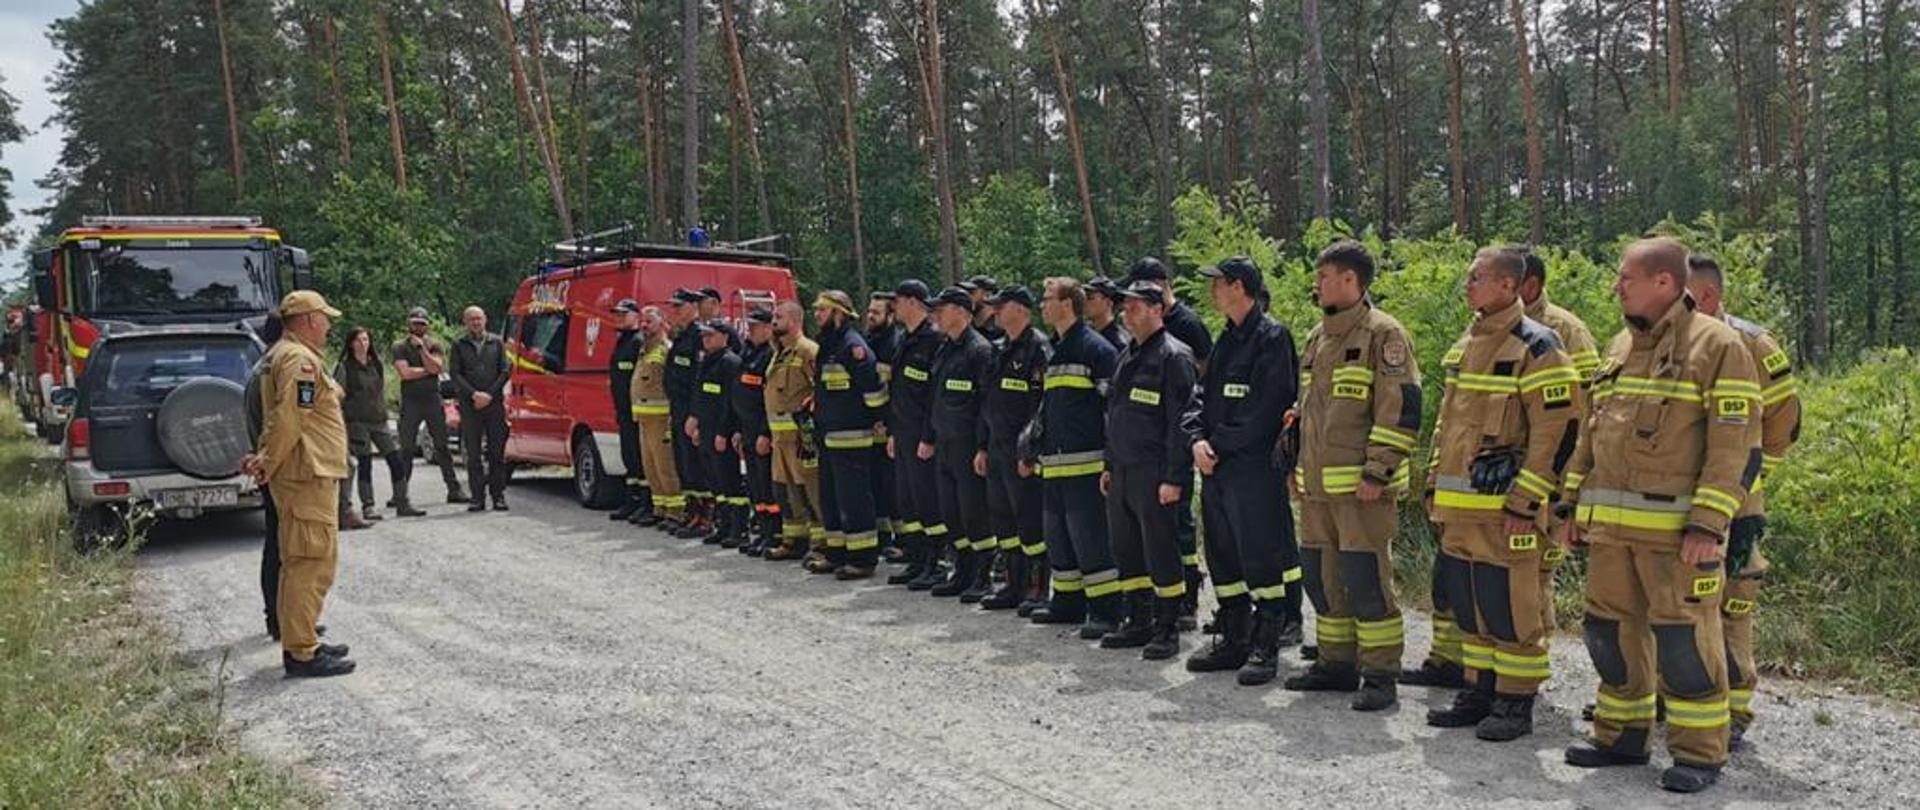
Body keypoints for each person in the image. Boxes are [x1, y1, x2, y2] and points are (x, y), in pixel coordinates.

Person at [1556, 237, 1761, 793]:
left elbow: (1733, 445)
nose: (1618, 286)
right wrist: (1569, 503)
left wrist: (1708, 523)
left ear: (1665, 283)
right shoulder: (1621, 345)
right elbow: (1591, 433)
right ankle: (1620, 736)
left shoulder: (1719, 346)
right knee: (1608, 634)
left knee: (1684, 643)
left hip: (1677, 536)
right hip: (1611, 533)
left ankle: (1699, 753)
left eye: (1627, 278)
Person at [1420, 247, 1585, 743]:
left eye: (1478, 277)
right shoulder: (1467, 344)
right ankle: (1479, 690)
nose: (1467, 284)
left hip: (1506, 513)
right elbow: (1446, 428)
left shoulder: (1538, 346)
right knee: (1472, 607)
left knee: (1512, 607)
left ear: (1509, 287)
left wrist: (1526, 502)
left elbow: (1558, 433)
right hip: (1460, 511)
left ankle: (1515, 703)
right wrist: (1432, 486)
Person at [1282, 239, 1420, 713]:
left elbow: (1400, 409)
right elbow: (1306, 412)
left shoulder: (1384, 334)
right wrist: (1294, 463)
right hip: (1317, 489)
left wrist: (1379, 472)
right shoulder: (1316, 338)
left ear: (1350, 280)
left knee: (1365, 580)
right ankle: (1335, 664)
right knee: (1323, 580)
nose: (1316, 285)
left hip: (1362, 492)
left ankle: (1380, 674)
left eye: (1323, 276)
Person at [1685, 254, 1801, 747]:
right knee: (1679, 603)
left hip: (1737, 508)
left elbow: (1784, 425)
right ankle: (1678, 696)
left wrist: (1745, 482)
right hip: (1681, 501)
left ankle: (1733, 711)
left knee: (1731, 606)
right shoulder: (1673, 340)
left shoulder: (1753, 344)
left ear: (1707, 296)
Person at [1185, 257, 1304, 686]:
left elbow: (1268, 409)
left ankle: (1265, 645)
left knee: (1261, 556)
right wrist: (1196, 439)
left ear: (1238, 287)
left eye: (1217, 283)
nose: (1212, 291)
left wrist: (1218, 443)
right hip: (1216, 467)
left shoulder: (1272, 338)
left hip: (1253, 468)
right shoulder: (1226, 338)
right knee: (1222, 553)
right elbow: (1199, 397)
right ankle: (1233, 637)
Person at [243, 290, 355, 678]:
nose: (328, 325)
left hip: (307, 472)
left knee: (304, 560)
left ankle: (302, 637)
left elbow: (281, 414)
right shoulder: (298, 361)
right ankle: (302, 652)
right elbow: (291, 415)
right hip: (306, 473)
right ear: (308, 319)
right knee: (309, 560)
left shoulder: (286, 356)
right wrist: (268, 461)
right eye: (325, 318)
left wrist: (265, 457)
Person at [1099, 279, 1201, 661]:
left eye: (1136, 306)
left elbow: (1182, 423)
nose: (1128, 313)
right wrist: (1110, 464)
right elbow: (1116, 414)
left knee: (1161, 550)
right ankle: (1138, 619)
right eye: (1125, 307)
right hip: (1124, 470)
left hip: (1155, 471)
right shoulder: (1127, 355)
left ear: (1158, 309)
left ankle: (1167, 625)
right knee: (1127, 549)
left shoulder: (1174, 356)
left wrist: (1175, 478)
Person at [1026, 277, 1122, 637]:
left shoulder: (1095, 349)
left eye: (1047, 298)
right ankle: (1067, 602)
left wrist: (1111, 461)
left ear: (1067, 304)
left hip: (1087, 465)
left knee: (1090, 538)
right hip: (1053, 463)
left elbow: (1112, 409)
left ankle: (1106, 610)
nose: (1043, 305)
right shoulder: (1055, 349)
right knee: (1059, 537)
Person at [1123, 257, 1212, 628]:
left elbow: (1201, 377)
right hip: (1140, 451)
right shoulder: (1138, 339)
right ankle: (1151, 610)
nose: (1127, 313)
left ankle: (1184, 599)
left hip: (1172, 444)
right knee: (1150, 534)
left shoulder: (1186, 327)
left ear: (1160, 286)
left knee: (1177, 529)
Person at [977, 285, 1051, 612]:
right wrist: (982, 446)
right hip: (996, 448)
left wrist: (1030, 449)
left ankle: (1037, 586)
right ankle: (1012, 582)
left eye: (1001, 306)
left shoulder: (1039, 349)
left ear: (1021, 310)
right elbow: (986, 402)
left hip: (1021, 452)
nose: (994, 311)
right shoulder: (998, 349)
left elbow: (1042, 406)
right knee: (1002, 518)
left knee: (1029, 518)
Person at [922, 287, 996, 597]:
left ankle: (984, 574)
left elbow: (986, 405)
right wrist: (928, 437)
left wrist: (982, 446)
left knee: (973, 511)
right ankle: (962, 570)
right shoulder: (944, 349)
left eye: (943, 308)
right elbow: (934, 398)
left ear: (963, 313)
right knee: (951, 511)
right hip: (945, 443)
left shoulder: (979, 350)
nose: (936, 314)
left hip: (967, 445)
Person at [809, 290, 886, 579]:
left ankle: (863, 558)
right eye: (816, 310)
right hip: (829, 435)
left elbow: (874, 391)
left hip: (853, 437)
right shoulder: (828, 345)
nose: (817, 315)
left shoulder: (853, 347)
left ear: (839, 313)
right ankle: (837, 552)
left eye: (823, 310)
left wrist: (878, 419)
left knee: (854, 499)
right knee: (831, 498)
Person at [886, 281, 952, 588]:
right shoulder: (905, 339)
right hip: (903, 432)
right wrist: (893, 432)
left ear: (913, 302)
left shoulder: (934, 340)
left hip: (923, 436)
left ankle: (936, 563)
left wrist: (928, 436)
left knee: (928, 501)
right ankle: (916, 560)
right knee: (907, 501)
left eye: (897, 300)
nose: (893, 306)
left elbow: (933, 396)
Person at [763, 300, 826, 563]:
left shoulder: (808, 351)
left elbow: (819, 389)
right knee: (786, 492)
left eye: (778, 317)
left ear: (795, 320)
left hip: (801, 437)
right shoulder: (779, 352)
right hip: (779, 438)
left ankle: (820, 543)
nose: (773, 321)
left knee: (810, 490)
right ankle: (793, 540)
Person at [337, 326, 420, 520]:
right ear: (351, 344)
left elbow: (380, 390)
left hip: (379, 420)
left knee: (396, 460)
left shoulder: (376, 364)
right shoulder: (344, 368)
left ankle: (402, 501)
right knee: (365, 463)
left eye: (366, 340)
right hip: (357, 422)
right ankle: (368, 506)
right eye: (359, 340)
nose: (363, 344)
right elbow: (338, 396)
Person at [391, 307, 468, 506]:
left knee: (442, 446)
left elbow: (438, 367)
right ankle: (400, 493)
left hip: (433, 399)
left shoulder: (434, 344)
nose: (418, 327)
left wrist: (422, 351)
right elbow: (405, 373)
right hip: (410, 401)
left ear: (427, 325)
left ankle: (454, 489)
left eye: (422, 323)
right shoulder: (399, 346)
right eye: (415, 323)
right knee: (406, 448)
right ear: (409, 323)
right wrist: (428, 369)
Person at [629, 306, 687, 533]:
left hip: (661, 418)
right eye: (642, 321)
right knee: (650, 466)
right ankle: (660, 508)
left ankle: (676, 511)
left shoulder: (666, 350)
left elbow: (671, 385)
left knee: (665, 466)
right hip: (644, 417)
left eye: (649, 321)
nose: (644, 325)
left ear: (663, 323)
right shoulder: (644, 349)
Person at [689, 320, 747, 545]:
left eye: (710, 336)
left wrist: (723, 433)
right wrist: (699, 427)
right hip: (707, 429)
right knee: (716, 483)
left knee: (730, 482)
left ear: (724, 337)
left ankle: (738, 528)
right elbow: (703, 397)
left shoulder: (730, 363)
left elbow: (729, 403)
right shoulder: (707, 361)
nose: (706, 340)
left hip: (722, 432)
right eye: (704, 336)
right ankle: (723, 525)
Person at [448, 305, 511, 512]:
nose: (476, 322)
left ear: (485, 320)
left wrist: (489, 395)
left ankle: (498, 496)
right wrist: (474, 394)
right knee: (473, 454)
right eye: (471, 319)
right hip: (470, 406)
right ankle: (477, 497)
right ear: (465, 322)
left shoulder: (497, 343)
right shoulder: (459, 344)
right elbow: (456, 374)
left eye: (479, 318)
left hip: (494, 405)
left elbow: (504, 371)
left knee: (496, 453)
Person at [665, 289, 712, 537]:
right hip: (678, 409)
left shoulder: (697, 337)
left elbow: (698, 380)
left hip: (692, 412)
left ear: (694, 307)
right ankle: (692, 512)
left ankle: (705, 517)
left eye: (680, 307)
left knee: (696, 465)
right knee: (684, 464)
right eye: (674, 307)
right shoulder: (681, 337)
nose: (675, 312)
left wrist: (695, 416)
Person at [733, 309, 780, 555]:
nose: (749, 330)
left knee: (767, 486)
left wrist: (765, 432)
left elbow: (768, 401)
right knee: (754, 486)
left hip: (763, 433)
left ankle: (774, 534)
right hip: (748, 431)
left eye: (755, 326)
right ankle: (761, 531)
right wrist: (739, 430)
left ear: (768, 328)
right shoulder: (748, 353)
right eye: (748, 326)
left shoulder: (770, 355)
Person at [607, 299, 654, 524]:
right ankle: (632, 500)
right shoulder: (622, 341)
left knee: (640, 459)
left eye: (623, 314)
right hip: (624, 411)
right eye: (617, 314)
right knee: (630, 458)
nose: (618, 317)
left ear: (636, 316)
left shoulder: (638, 343)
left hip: (638, 412)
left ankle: (646, 503)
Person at [864, 291, 903, 559]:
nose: (870, 316)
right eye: (869, 311)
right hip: (868, 428)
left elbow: (898, 391)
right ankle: (882, 536)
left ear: (891, 315)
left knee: (893, 487)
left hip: (888, 428)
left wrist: (889, 423)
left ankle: (902, 540)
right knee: (875, 485)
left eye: (876, 312)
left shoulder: (896, 344)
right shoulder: (867, 343)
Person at [1085, 276, 1129, 351]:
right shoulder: (1084, 333)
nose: (1085, 302)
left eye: (1090, 298)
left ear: (1108, 303)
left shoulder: (1119, 343)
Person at [960, 274, 1004, 343]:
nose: (968, 296)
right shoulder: (969, 314)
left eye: (972, 292)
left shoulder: (1000, 323)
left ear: (987, 295)